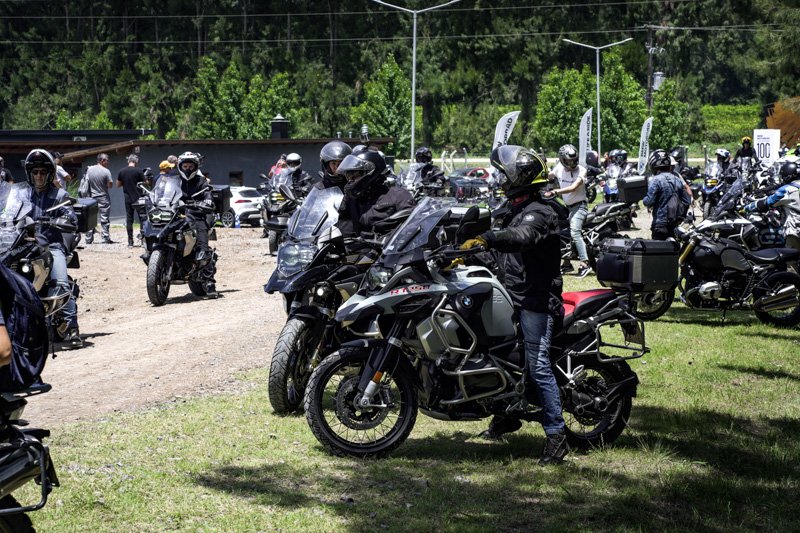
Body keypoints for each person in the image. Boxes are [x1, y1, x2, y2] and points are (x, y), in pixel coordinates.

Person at [459, 145, 567, 465]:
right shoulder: (510, 207)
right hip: (507, 294)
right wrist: (459, 251)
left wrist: (488, 238)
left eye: (504, 174)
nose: (499, 178)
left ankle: (556, 436)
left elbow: (520, 237)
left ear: (520, 177)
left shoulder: (542, 212)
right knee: (491, 351)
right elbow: (494, 252)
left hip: (535, 300)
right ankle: (506, 413)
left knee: (538, 366)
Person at [26, 149, 83, 348]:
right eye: (35, 172)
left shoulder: (60, 195)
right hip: (25, 246)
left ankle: (73, 327)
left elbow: (71, 217)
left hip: (52, 246)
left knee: (61, 283)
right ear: (30, 174)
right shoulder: (24, 194)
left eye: (42, 172)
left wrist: (62, 219)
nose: (39, 176)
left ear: (50, 173)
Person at [336, 149, 414, 235]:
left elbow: (412, 228)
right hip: (358, 247)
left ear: (370, 173)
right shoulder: (350, 198)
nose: (351, 180)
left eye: (354, 176)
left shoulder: (399, 196)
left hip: (388, 247)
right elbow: (344, 228)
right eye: (349, 176)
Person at [546, 144, 592, 277]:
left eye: (573, 160)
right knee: (564, 233)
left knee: (575, 232)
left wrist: (555, 191)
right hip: (567, 207)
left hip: (580, 206)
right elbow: (549, 176)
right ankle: (566, 264)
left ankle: (585, 263)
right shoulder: (559, 168)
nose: (571, 163)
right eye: (568, 161)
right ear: (562, 159)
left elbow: (573, 187)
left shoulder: (582, 170)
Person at [177, 152, 218, 297]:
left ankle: (209, 282)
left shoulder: (201, 181)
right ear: (180, 166)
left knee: (203, 246)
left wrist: (207, 202)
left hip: (197, 216)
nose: (187, 168)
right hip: (178, 216)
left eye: (190, 166)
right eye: (185, 166)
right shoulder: (176, 181)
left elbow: (208, 195)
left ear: (195, 167)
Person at [745, 161, 800, 252]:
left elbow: (767, 203)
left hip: (796, 228)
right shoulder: (796, 186)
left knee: (791, 257)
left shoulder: (787, 190)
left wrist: (747, 208)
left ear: (787, 175)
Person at [643, 149, 692, 240]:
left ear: (654, 165)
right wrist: (680, 216)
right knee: (673, 251)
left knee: (658, 251)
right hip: (674, 225)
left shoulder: (655, 180)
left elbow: (649, 201)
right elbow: (687, 200)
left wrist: (644, 199)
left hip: (660, 224)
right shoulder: (677, 179)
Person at [84, 153, 114, 244]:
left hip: (91, 197)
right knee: (104, 218)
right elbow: (110, 185)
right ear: (102, 160)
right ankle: (105, 237)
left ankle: (88, 238)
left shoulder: (89, 170)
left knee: (90, 218)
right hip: (103, 196)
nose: (108, 162)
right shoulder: (106, 171)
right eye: (107, 160)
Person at [116, 154, 146, 247]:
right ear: (136, 161)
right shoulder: (139, 171)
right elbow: (145, 183)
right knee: (142, 219)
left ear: (128, 161)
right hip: (139, 198)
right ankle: (143, 241)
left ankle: (130, 242)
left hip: (127, 198)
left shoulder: (122, 171)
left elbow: (118, 185)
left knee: (129, 219)